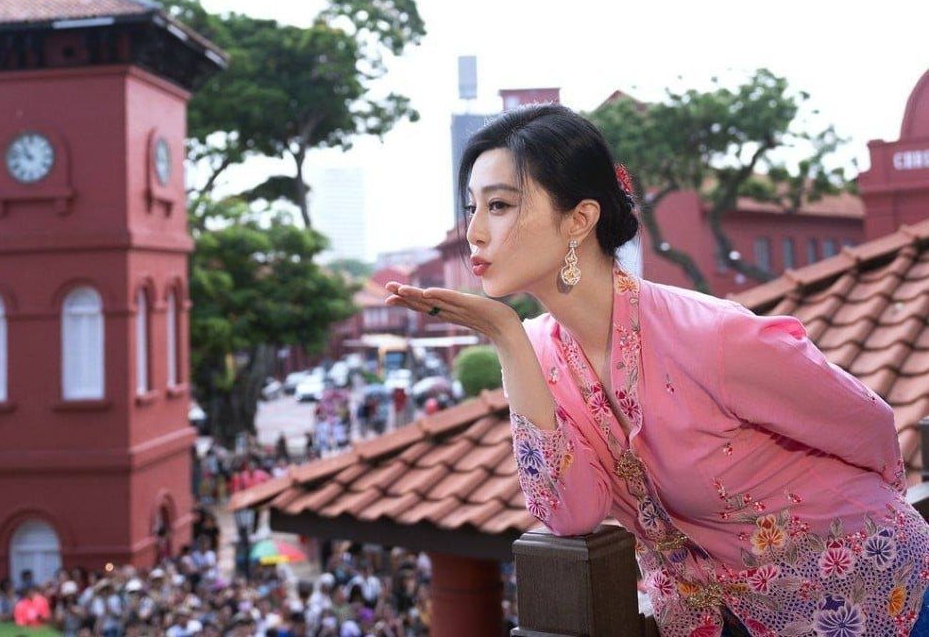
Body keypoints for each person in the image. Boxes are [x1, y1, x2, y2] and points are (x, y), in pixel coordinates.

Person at [385, 103, 929, 636]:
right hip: (719, 620)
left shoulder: (713, 335)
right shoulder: (536, 353)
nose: (475, 232)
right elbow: (569, 513)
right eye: (471, 207)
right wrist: (505, 335)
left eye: (499, 205)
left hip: (882, 590)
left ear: (580, 218)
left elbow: (869, 426)